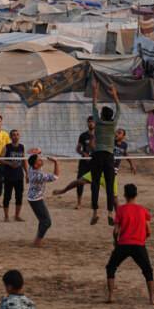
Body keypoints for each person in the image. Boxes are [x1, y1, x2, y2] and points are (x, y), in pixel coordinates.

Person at [105, 184, 154, 304]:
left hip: (123, 244)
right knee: (147, 270)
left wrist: (115, 242)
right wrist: (143, 238)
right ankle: (152, 299)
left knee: (111, 267)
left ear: (125, 195)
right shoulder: (143, 210)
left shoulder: (121, 209)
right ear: (136, 195)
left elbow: (116, 230)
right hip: (139, 245)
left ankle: (111, 296)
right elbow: (149, 230)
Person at [53, 129, 134, 199]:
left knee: (114, 198)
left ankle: (118, 215)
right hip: (101, 169)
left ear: (123, 136)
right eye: (116, 132)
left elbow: (125, 154)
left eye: (119, 133)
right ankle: (63, 191)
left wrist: (132, 165)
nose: (116, 134)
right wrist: (93, 138)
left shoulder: (124, 145)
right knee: (79, 181)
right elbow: (92, 146)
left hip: (111, 173)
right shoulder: (109, 142)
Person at [90, 81, 120, 226]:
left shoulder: (98, 122)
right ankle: (109, 213)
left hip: (97, 155)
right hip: (109, 156)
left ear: (102, 115)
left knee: (95, 184)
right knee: (109, 186)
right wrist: (114, 95)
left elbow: (93, 106)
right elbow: (119, 109)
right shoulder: (113, 124)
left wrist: (95, 91)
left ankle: (95, 212)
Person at [26, 154, 58, 247]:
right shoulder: (38, 175)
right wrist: (56, 162)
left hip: (34, 197)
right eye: (39, 160)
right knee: (47, 222)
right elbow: (56, 176)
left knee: (43, 220)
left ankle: (37, 241)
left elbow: (31, 160)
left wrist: (38, 153)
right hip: (36, 199)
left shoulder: (31, 168)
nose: (41, 160)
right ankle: (37, 242)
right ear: (36, 165)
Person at [1, 130, 26, 222]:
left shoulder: (21, 147)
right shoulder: (7, 147)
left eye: (17, 134)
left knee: (19, 196)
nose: (16, 136)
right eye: (14, 135)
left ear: (19, 136)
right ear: (11, 137)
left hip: (19, 176)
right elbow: (0, 159)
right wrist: (10, 163)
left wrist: (27, 174)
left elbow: (24, 161)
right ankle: (6, 216)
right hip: (9, 176)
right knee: (7, 196)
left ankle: (17, 216)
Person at [73, 116, 95, 209]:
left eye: (92, 122)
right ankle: (79, 203)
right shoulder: (83, 135)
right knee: (79, 181)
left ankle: (93, 202)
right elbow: (78, 149)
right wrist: (83, 153)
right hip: (84, 162)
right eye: (89, 121)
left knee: (94, 183)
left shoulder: (100, 135)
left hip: (95, 162)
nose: (90, 123)